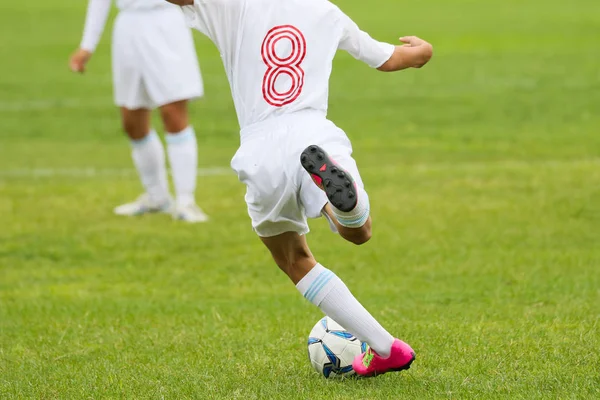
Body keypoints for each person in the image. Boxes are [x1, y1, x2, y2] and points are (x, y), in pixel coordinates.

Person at [166, 0, 433, 376]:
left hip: (260, 150)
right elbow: (391, 58)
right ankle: (346, 209)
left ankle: (387, 348)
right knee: (358, 233)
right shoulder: (327, 12)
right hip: (314, 137)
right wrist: (424, 51)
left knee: (292, 258)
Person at [69, 0, 209, 223]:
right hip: (128, 28)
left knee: (173, 113)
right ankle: (157, 197)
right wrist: (88, 45)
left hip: (167, 22)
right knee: (132, 121)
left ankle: (186, 201)